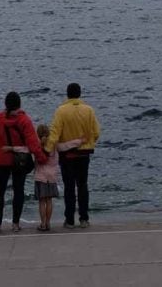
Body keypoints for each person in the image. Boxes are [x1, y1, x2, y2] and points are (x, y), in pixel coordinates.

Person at [0, 91, 47, 234]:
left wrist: (2, 144)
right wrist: (41, 158)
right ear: (19, 104)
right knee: (18, 191)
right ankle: (15, 224)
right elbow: (33, 144)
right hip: (20, 161)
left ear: (5, 104)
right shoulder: (24, 120)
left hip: (1, 158)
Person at [46, 82, 101, 229]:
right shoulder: (89, 110)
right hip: (84, 154)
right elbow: (96, 132)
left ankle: (69, 220)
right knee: (82, 186)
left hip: (67, 155)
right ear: (80, 94)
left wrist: (47, 149)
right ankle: (84, 218)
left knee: (69, 187)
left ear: (67, 94)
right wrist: (87, 143)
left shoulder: (61, 111)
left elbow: (55, 133)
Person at [30, 123, 83, 231]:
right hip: (52, 176)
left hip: (40, 176)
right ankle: (48, 223)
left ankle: (43, 224)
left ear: (38, 134)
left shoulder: (37, 145)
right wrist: (79, 141)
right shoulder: (54, 145)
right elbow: (66, 145)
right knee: (49, 201)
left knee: (42, 201)